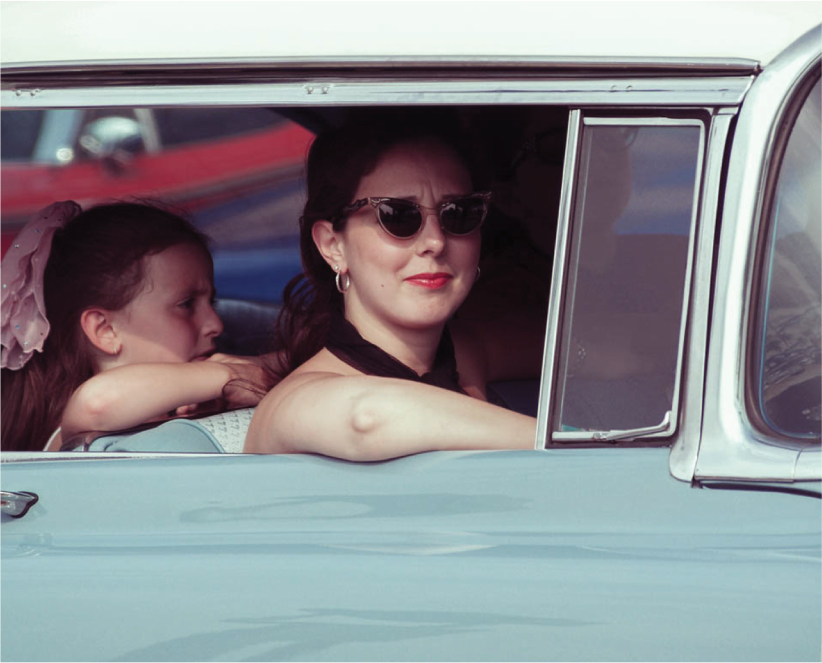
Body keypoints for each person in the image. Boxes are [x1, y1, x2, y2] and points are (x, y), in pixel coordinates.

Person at [245, 115, 539, 459]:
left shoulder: (465, 353)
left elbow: (587, 350)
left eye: (460, 212)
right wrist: (578, 445)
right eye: (398, 215)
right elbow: (368, 417)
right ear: (332, 245)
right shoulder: (294, 401)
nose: (435, 241)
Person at [0, 201, 266, 452]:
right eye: (186, 305)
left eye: (212, 302)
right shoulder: (85, 422)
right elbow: (97, 401)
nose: (216, 324)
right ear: (106, 330)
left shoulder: (193, 403)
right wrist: (230, 375)